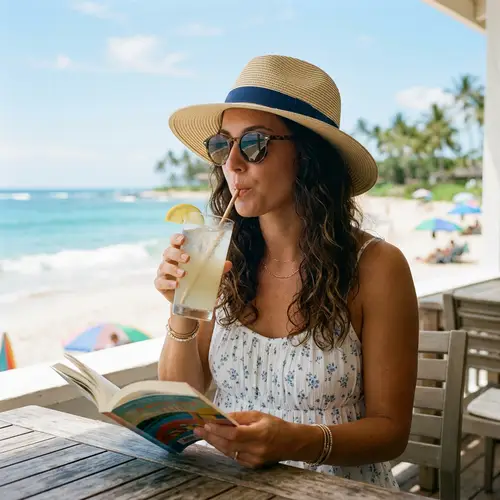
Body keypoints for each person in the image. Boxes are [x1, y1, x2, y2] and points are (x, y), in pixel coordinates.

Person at [155, 55, 419, 490]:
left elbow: (391, 432)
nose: (233, 163)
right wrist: (182, 309)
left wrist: (295, 441)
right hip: (229, 488)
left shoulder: (377, 267)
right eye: (223, 145)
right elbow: (182, 397)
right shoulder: (222, 257)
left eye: (255, 144)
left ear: (308, 157)